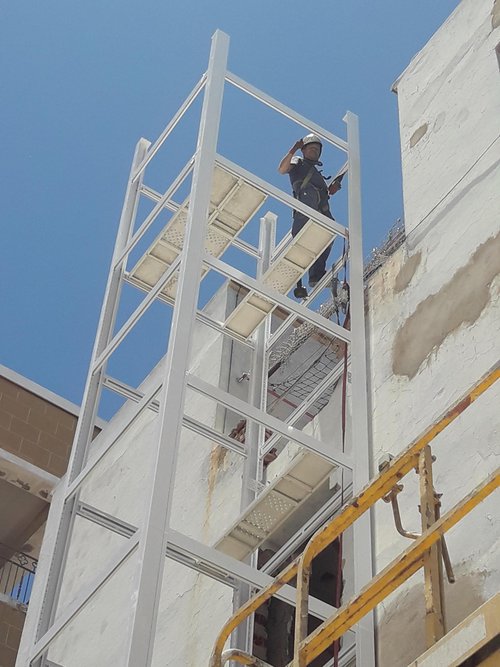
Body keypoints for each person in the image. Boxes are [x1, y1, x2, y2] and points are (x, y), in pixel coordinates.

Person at [278, 134, 341, 298]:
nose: (314, 150)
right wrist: (293, 149)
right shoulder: (298, 162)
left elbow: (323, 192)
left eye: (317, 149)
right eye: (311, 147)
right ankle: (300, 270)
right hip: (306, 206)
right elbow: (282, 169)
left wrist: (330, 189)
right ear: (303, 150)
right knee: (304, 239)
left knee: (329, 232)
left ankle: (316, 274)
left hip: (320, 209)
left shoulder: (316, 174)